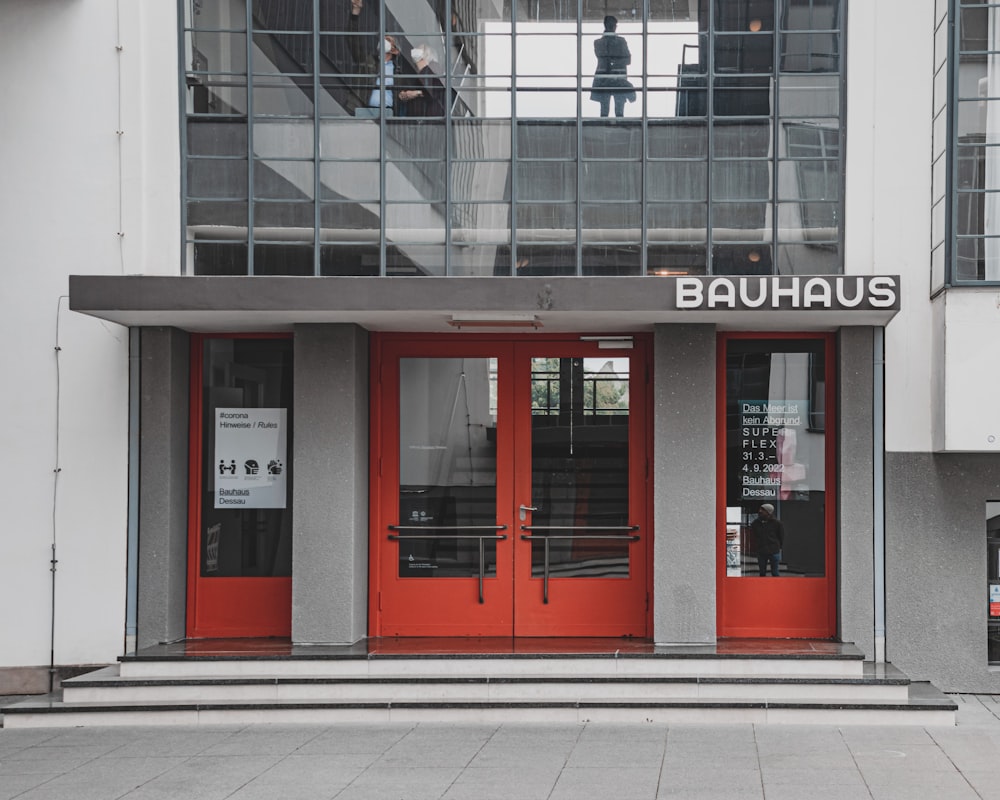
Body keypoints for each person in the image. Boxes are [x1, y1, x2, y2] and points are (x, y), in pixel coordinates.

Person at [349, 0, 398, 116]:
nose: (384, 41)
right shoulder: (369, 60)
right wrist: (355, 14)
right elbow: (353, 41)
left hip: (388, 113)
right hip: (365, 110)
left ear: (395, 50)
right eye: (383, 38)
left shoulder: (398, 69)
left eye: (388, 40)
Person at [590, 15, 636, 118]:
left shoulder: (620, 41)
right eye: (610, 24)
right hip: (607, 79)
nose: (612, 27)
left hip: (615, 78)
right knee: (605, 109)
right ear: (605, 25)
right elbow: (603, 57)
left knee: (619, 110)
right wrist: (617, 60)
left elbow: (628, 59)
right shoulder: (599, 42)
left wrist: (612, 61)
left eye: (613, 25)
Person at [398, 45, 445, 117]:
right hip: (415, 117)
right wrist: (404, 94)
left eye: (419, 49)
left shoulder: (434, 67)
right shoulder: (414, 71)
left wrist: (416, 93)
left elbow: (435, 90)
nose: (415, 50)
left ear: (426, 54)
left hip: (431, 117)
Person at [751, 503, 784, 577]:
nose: (760, 511)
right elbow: (754, 536)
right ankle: (762, 588)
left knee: (775, 572)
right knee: (762, 573)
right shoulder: (755, 523)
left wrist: (779, 547)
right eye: (760, 509)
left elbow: (781, 536)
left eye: (762, 510)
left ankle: (776, 587)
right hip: (761, 551)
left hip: (774, 550)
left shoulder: (777, 524)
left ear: (768, 512)